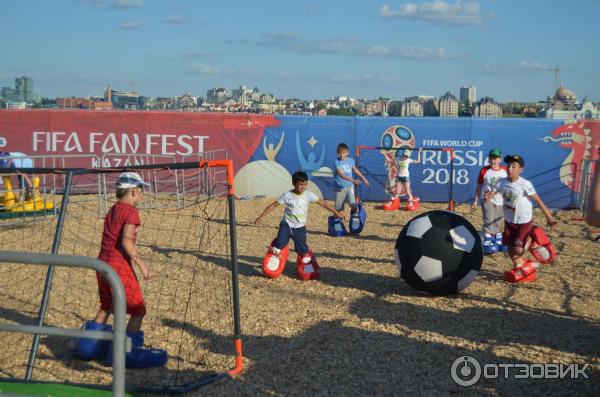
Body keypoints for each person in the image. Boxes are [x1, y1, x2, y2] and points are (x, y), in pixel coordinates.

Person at [74, 172, 167, 368]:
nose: (141, 195)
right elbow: (126, 242)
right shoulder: (131, 211)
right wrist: (144, 268)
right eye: (140, 191)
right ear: (133, 191)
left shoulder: (113, 209)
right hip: (118, 265)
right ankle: (124, 353)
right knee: (138, 308)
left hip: (102, 263)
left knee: (107, 304)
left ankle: (87, 347)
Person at [255, 171, 344, 278]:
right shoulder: (287, 195)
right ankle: (275, 255)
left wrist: (336, 212)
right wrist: (261, 216)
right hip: (286, 226)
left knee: (304, 253)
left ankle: (308, 268)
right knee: (278, 246)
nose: (303, 187)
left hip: (299, 228)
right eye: (300, 184)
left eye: (305, 184)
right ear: (294, 184)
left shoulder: (308, 195)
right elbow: (273, 205)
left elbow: (323, 203)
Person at [487, 155, 557, 283]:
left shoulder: (525, 184)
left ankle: (531, 239)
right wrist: (489, 196)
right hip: (509, 221)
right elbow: (493, 191)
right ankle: (522, 268)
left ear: (521, 169)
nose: (510, 169)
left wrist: (549, 217)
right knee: (509, 248)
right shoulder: (501, 181)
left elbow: (538, 200)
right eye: (508, 166)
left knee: (518, 250)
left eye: (514, 166)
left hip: (524, 222)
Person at [472, 148, 507, 253]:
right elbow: (479, 185)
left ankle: (497, 239)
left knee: (498, 219)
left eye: (495, 158)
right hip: (486, 198)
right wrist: (475, 200)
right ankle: (487, 239)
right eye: (491, 158)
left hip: (500, 200)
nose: (493, 161)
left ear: (500, 159)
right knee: (488, 218)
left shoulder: (505, 171)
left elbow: (507, 185)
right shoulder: (484, 170)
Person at [334, 143, 369, 219]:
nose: (342, 155)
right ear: (337, 153)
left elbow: (355, 170)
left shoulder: (350, 160)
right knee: (338, 208)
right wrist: (353, 180)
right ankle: (336, 222)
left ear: (347, 152)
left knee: (353, 204)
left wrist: (364, 178)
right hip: (340, 188)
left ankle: (354, 217)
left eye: (343, 153)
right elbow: (341, 175)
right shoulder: (336, 162)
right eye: (340, 153)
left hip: (350, 186)